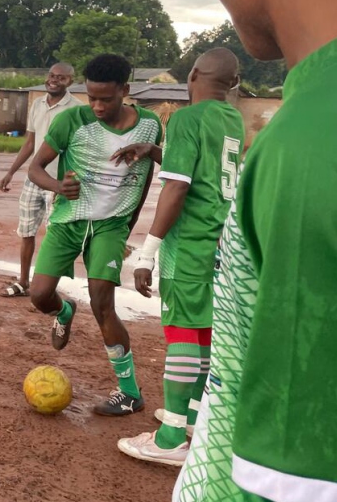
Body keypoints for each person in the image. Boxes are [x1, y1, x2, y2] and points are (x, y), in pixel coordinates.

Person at [173, 0, 337, 500]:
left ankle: (173, 423)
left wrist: (149, 246)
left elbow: (296, 477)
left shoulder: (312, 137)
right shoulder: (274, 121)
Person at [114, 48, 245, 466]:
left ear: (192, 75)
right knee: (204, 329)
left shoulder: (187, 118)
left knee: (183, 333)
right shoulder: (233, 120)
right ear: (233, 84)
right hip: (220, 241)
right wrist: (154, 150)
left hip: (188, 243)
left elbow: (178, 188)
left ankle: (170, 438)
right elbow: (204, 172)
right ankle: (191, 416)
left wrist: (147, 253)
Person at [27, 53, 161, 416]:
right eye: (92, 98)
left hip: (110, 225)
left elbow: (151, 173)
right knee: (38, 294)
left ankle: (129, 392)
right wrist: (58, 186)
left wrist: (128, 225)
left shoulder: (149, 126)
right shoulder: (72, 120)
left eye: (107, 98)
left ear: (125, 91)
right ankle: (64, 309)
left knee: (103, 303)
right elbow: (35, 168)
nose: (98, 106)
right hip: (69, 220)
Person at [0, 63, 82, 297]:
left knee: (54, 236)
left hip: (57, 182)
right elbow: (30, 143)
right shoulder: (37, 104)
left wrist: (69, 180)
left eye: (61, 78)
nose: (54, 80)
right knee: (26, 232)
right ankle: (23, 281)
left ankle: (47, 289)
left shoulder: (76, 109)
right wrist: (11, 171)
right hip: (34, 179)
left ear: (70, 82)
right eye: (52, 76)